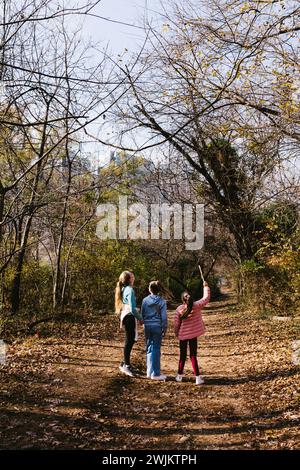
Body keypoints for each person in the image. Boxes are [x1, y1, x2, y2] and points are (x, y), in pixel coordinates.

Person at [174, 279, 210, 385]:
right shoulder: (197, 306)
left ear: (182, 300)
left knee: (182, 355)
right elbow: (206, 298)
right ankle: (197, 378)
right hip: (193, 335)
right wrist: (206, 287)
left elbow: (176, 324)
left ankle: (179, 376)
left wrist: (176, 334)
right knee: (193, 355)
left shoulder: (179, 309)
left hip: (183, 336)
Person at [115, 270, 143, 377]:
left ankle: (125, 363)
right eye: (132, 276)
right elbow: (132, 308)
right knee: (129, 341)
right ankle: (126, 365)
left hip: (127, 315)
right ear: (129, 279)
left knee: (130, 340)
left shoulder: (125, 289)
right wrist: (140, 318)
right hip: (129, 316)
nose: (134, 277)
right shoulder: (129, 290)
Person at [141, 280, 168, 381]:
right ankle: (156, 373)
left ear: (149, 289)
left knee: (149, 347)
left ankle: (149, 371)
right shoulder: (162, 301)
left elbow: (142, 314)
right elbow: (164, 317)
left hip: (147, 326)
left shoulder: (145, 300)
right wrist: (164, 328)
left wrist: (143, 323)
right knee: (156, 348)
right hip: (157, 326)